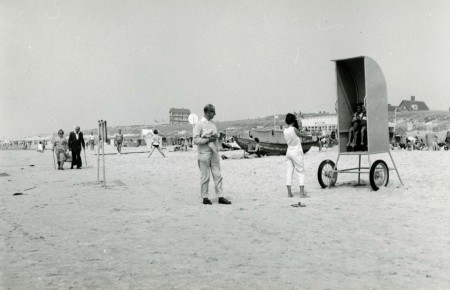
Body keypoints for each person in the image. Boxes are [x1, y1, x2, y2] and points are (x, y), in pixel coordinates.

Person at [193, 104, 231, 205]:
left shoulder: (213, 124)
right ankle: (205, 198)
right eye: (213, 112)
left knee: (218, 175)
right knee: (205, 177)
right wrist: (208, 139)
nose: (214, 114)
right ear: (208, 112)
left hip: (214, 152)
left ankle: (220, 196)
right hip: (204, 153)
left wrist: (216, 139)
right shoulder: (199, 124)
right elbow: (195, 140)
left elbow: (215, 139)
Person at [283, 113, 310, 207]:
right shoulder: (294, 129)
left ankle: (289, 193)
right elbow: (302, 135)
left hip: (289, 152)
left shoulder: (285, 130)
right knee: (300, 172)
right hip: (297, 152)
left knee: (289, 172)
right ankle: (302, 193)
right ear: (293, 121)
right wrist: (307, 134)